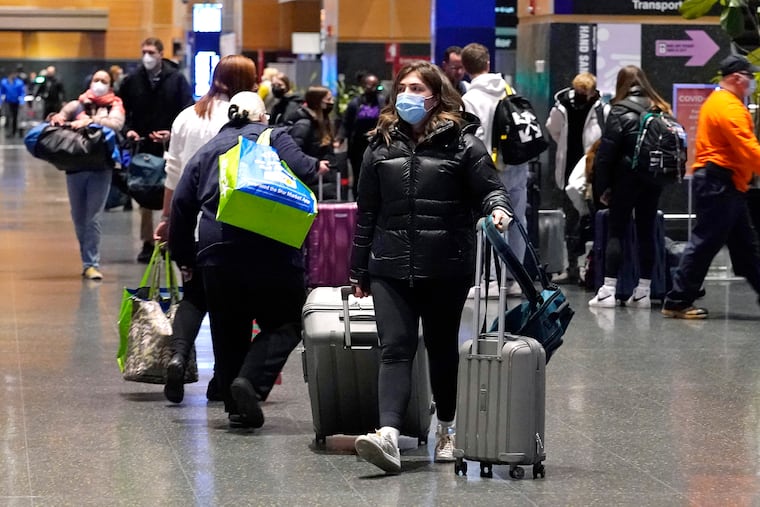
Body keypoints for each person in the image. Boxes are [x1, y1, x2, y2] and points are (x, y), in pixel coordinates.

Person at [349, 61, 512, 474]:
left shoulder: (463, 144)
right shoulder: (379, 145)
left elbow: (491, 189)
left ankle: (447, 428)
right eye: (402, 87)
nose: (408, 95)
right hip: (389, 263)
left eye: (417, 88)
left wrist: (498, 210)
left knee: (442, 349)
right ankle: (387, 435)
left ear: (436, 95)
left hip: (446, 264)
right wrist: (358, 269)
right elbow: (367, 211)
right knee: (396, 348)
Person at [169, 91, 328, 428]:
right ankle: (250, 383)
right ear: (261, 117)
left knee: (229, 329)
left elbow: (181, 207)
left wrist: (185, 257)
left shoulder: (207, 151)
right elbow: (305, 171)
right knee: (287, 321)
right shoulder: (274, 136)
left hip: (218, 251)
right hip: (274, 247)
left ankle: (235, 406)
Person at [154, 55, 261, 404]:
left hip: (192, 222)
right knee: (232, 305)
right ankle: (223, 378)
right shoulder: (246, 121)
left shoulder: (187, 116)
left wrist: (167, 219)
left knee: (195, 294)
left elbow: (173, 174)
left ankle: (177, 356)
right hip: (234, 224)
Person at [663, 55, 760, 318]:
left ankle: (678, 299)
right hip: (721, 183)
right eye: (749, 77)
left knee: (745, 247)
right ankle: (677, 301)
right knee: (705, 242)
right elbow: (747, 145)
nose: (751, 82)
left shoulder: (720, 102)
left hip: (725, 183)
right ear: (737, 78)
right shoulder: (728, 106)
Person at [587, 65, 671, 309]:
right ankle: (644, 291)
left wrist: (601, 187)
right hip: (653, 179)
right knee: (647, 230)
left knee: (617, 230)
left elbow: (606, 154)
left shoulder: (619, 110)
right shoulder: (660, 108)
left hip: (625, 180)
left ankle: (608, 291)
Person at [118, 37, 194, 263]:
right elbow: (123, 111)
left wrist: (172, 133)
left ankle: (168, 238)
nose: (147, 56)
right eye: (144, 52)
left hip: (171, 145)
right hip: (143, 145)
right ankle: (147, 242)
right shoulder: (132, 80)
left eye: (151, 52)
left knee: (170, 192)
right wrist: (128, 131)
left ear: (161, 54)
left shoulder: (177, 80)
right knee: (144, 194)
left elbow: (187, 110)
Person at [461, 42, 525, 297]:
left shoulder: (469, 98)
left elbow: (469, 136)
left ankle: (490, 281)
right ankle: (516, 279)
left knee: (488, 223)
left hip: (486, 168)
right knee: (516, 220)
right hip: (516, 164)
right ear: (488, 63)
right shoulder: (509, 90)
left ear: (465, 68)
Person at [49, 70, 125, 280]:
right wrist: (58, 118)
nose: (99, 83)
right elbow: (61, 116)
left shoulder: (114, 105)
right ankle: (87, 257)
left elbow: (116, 124)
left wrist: (90, 121)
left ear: (110, 85)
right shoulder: (78, 104)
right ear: (89, 82)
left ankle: (91, 263)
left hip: (101, 167)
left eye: (104, 81)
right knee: (78, 216)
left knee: (92, 217)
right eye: (96, 80)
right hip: (76, 166)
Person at [546, 72, 609, 284]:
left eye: (585, 92)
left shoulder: (601, 109)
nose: (581, 96)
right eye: (579, 91)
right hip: (568, 167)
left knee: (591, 219)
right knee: (571, 219)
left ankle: (589, 266)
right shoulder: (562, 106)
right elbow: (552, 129)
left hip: (591, 170)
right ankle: (571, 266)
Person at [336, 73, 385, 199]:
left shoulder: (382, 101)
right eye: (368, 85)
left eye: (374, 85)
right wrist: (340, 138)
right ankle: (357, 199)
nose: (371, 88)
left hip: (378, 144)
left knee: (377, 173)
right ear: (363, 86)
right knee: (358, 174)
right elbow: (346, 123)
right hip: (357, 146)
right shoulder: (355, 103)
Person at [284, 86, 338, 199]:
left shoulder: (321, 123)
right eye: (328, 100)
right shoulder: (304, 124)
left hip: (322, 181)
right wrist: (315, 164)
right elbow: (294, 154)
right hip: (312, 182)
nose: (331, 103)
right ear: (317, 102)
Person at [1, 70, 26, 138]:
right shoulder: (4, 82)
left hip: (16, 102)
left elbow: (22, 93)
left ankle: (16, 131)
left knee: (16, 118)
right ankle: (9, 132)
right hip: (8, 102)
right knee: (8, 117)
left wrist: (21, 101)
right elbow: (1, 92)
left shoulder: (19, 83)